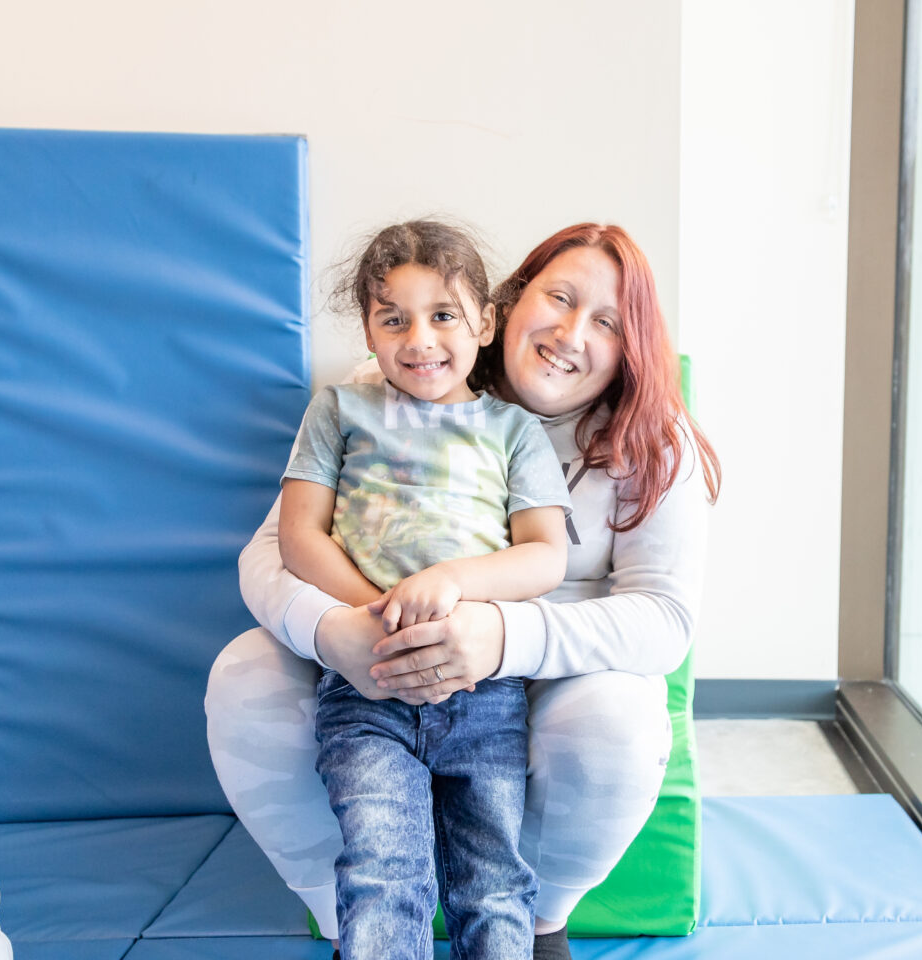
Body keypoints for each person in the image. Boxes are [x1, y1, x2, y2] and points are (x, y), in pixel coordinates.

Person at [206, 223, 721, 960]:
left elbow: (663, 619)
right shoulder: (383, 391)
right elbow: (276, 550)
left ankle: (541, 924)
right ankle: (349, 921)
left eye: (606, 321)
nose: (572, 333)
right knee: (245, 672)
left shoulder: (648, 439)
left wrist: (496, 635)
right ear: (508, 306)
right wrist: (346, 629)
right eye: (560, 298)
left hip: (521, 681)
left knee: (611, 725)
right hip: (373, 658)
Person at [280, 220, 572, 960]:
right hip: (365, 688)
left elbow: (545, 557)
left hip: (484, 695)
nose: (420, 339)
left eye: (443, 315)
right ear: (370, 334)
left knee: (493, 882)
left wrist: (451, 582)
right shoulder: (339, 410)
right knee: (382, 873)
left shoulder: (509, 430)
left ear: (484, 322)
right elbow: (299, 536)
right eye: (393, 319)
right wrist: (369, 614)